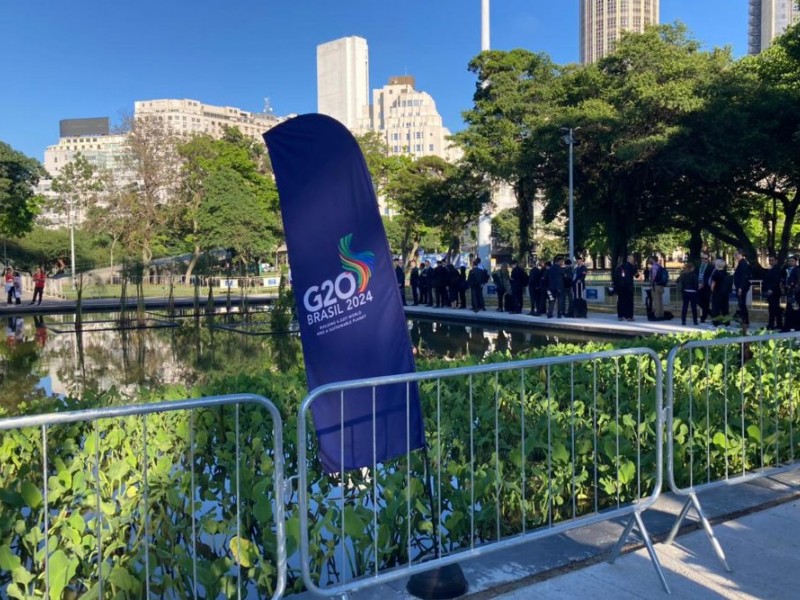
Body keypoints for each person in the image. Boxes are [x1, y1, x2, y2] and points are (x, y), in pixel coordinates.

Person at [613, 255, 637, 321]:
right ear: (631, 260)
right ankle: (629, 316)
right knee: (629, 301)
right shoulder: (632, 267)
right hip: (628, 287)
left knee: (621, 301)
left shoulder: (620, 267)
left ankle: (620, 315)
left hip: (620, 286)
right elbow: (637, 276)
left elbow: (616, 277)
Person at [762, 255, 783, 330]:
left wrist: (771, 289)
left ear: (776, 261)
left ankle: (771, 325)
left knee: (773, 309)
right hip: (770, 292)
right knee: (774, 308)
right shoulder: (771, 269)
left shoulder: (777, 269)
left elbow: (776, 281)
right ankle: (778, 324)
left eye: (772, 260)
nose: (770, 262)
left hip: (774, 292)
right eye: (770, 260)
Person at [733, 249, 751, 333]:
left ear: (740, 254)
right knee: (741, 304)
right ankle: (743, 319)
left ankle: (745, 321)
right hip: (740, 286)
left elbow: (743, 277)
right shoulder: (741, 263)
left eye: (736, 254)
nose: (735, 256)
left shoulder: (743, 263)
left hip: (742, 287)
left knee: (742, 304)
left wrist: (740, 288)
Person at [709, 258, 731, 326]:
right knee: (725, 309)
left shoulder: (716, 273)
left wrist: (712, 291)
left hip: (717, 293)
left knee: (715, 309)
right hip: (725, 294)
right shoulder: (726, 273)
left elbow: (713, 285)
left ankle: (715, 323)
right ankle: (727, 323)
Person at [782, 255, 799, 332]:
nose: (790, 262)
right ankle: (788, 327)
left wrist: (792, 286)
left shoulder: (797, 270)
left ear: (796, 261)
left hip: (795, 293)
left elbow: (797, 281)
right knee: (788, 309)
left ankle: (796, 327)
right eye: (789, 261)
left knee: (795, 309)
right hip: (789, 293)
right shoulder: (787, 270)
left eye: (792, 261)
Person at [697, 252, 714, 323]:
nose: (704, 260)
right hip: (698, 287)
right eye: (703, 258)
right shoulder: (698, 266)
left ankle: (703, 318)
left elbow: (710, 277)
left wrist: (703, 283)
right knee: (698, 301)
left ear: (708, 259)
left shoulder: (711, 267)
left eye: (706, 258)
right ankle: (711, 313)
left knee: (706, 302)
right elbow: (696, 275)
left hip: (706, 287)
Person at [650, 255, 666, 319]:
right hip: (661, 285)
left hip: (656, 285)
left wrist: (651, 282)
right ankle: (661, 314)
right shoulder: (660, 266)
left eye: (650, 259)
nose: (650, 260)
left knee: (656, 301)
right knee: (660, 300)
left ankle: (657, 315)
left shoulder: (654, 266)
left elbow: (653, 276)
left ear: (653, 260)